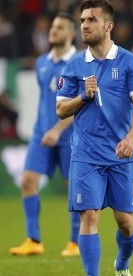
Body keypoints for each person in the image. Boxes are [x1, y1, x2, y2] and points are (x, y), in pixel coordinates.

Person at [55, 1, 133, 275]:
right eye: (82, 20)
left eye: (91, 20)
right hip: (86, 153)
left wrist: (131, 138)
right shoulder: (73, 66)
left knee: (125, 223)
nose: (84, 25)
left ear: (108, 26)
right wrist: (83, 96)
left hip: (122, 153)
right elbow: (60, 110)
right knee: (89, 216)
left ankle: (122, 263)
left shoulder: (129, 62)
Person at [8, 12, 79, 257]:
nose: (53, 31)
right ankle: (33, 239)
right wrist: (45, 127)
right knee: (28, 181)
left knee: (75, 189)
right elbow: (46, 99)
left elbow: (81, 103)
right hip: (42, 132)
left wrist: (58, 129)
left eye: (59, 27)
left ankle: (76, 242)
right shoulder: (42, 62)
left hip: (70, 135)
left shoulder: (80, 63)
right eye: (52, 26)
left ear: (71, 34)